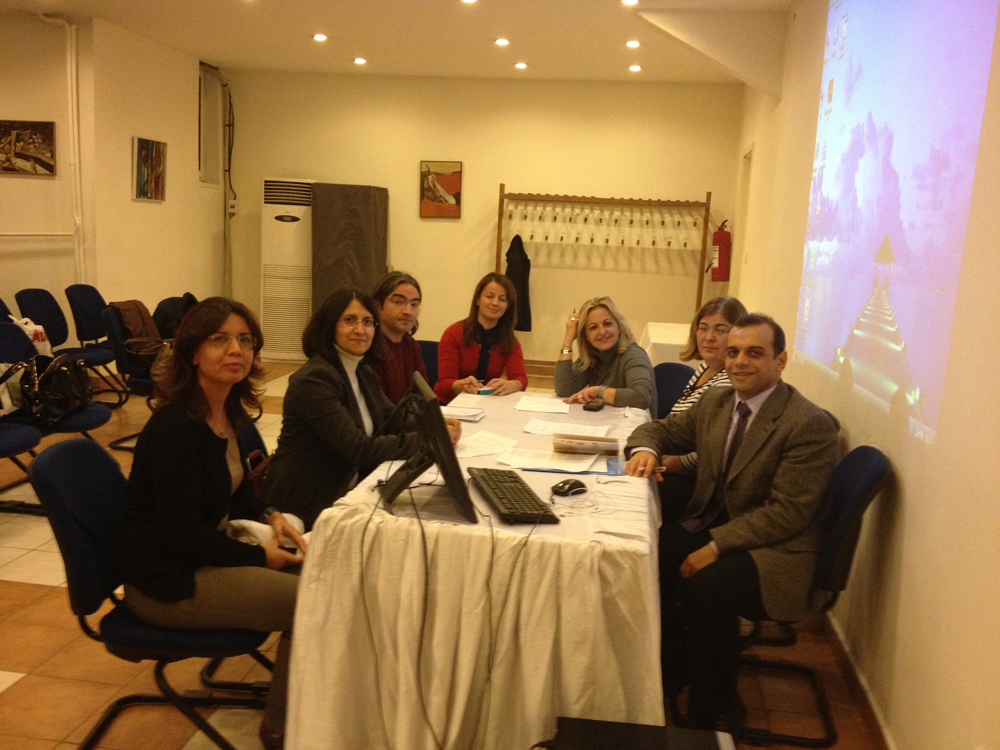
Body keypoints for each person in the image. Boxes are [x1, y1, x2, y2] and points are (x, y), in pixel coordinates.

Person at [624, 313, 838, 732]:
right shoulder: (718, 402)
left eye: (754, 353)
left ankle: (716, 708)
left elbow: (787, 513)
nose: (740, 361)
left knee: (709, 586)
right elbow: (662, 430)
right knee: (653, 552)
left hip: (777, 548)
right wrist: (645, 449)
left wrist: (716, 546)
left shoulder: (806, 424)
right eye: (734, 352)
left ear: (780, 361)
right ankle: (668, 668)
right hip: (725, 522)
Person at [117, 297, 305, 749]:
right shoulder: (176, 428)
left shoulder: (226, 411)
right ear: (193, 351)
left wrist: (270, 515)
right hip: (167, 582)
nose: (236, 349)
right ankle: (281, 728)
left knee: (323, 577)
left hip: (201, 557)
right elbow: (183, 535)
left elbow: (235, 493)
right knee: (314, 602)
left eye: (245, 340)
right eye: (220, 339)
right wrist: (259, 555)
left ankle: (304, 704)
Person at [262, 288, 460, 530]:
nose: (360, 330)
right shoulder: (315, 380)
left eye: (367, 322)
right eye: (349, 320)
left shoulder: (361, 370)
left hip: (348, 489)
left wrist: (436, 426)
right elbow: (359, 448)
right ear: (329, 325)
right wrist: (431, 440)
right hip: (306, 504)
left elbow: (392, 419)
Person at [659, 296, 748, 523]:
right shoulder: (705, 369)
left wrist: (670, 463)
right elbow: (676, 423)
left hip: (699, 486)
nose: (709, 337)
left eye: (720, 330)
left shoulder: (728, 383)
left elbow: (716, 452)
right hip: (674, 465)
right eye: (703, 328)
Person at [434, 272, 528, 404]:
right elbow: (445, 383)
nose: (495, 303)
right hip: (448, 404)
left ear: (508, 306)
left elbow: (521, 378)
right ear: (478, 299)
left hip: (485, 404)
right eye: (489, 296)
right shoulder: (453, 333)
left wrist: (514, 384)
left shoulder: (509, 340)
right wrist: (462, 385)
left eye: (502, 299)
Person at [554, 295, 656, 414]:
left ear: (619, 327)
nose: (602, 332)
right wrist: (568, 340)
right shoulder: (593, 355)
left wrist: (598, 391)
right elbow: (564, 389)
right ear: (586, 336)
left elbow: (642, 397)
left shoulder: (633, 354)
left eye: (607, 324)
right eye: (593, 327)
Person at [370, 271, 428, 403]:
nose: (408, 311)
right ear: (378, 305)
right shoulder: (370, 346)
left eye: (414, 304)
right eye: (398, 302)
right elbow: (379, 406)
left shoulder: (411, 345)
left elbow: (423, 395)